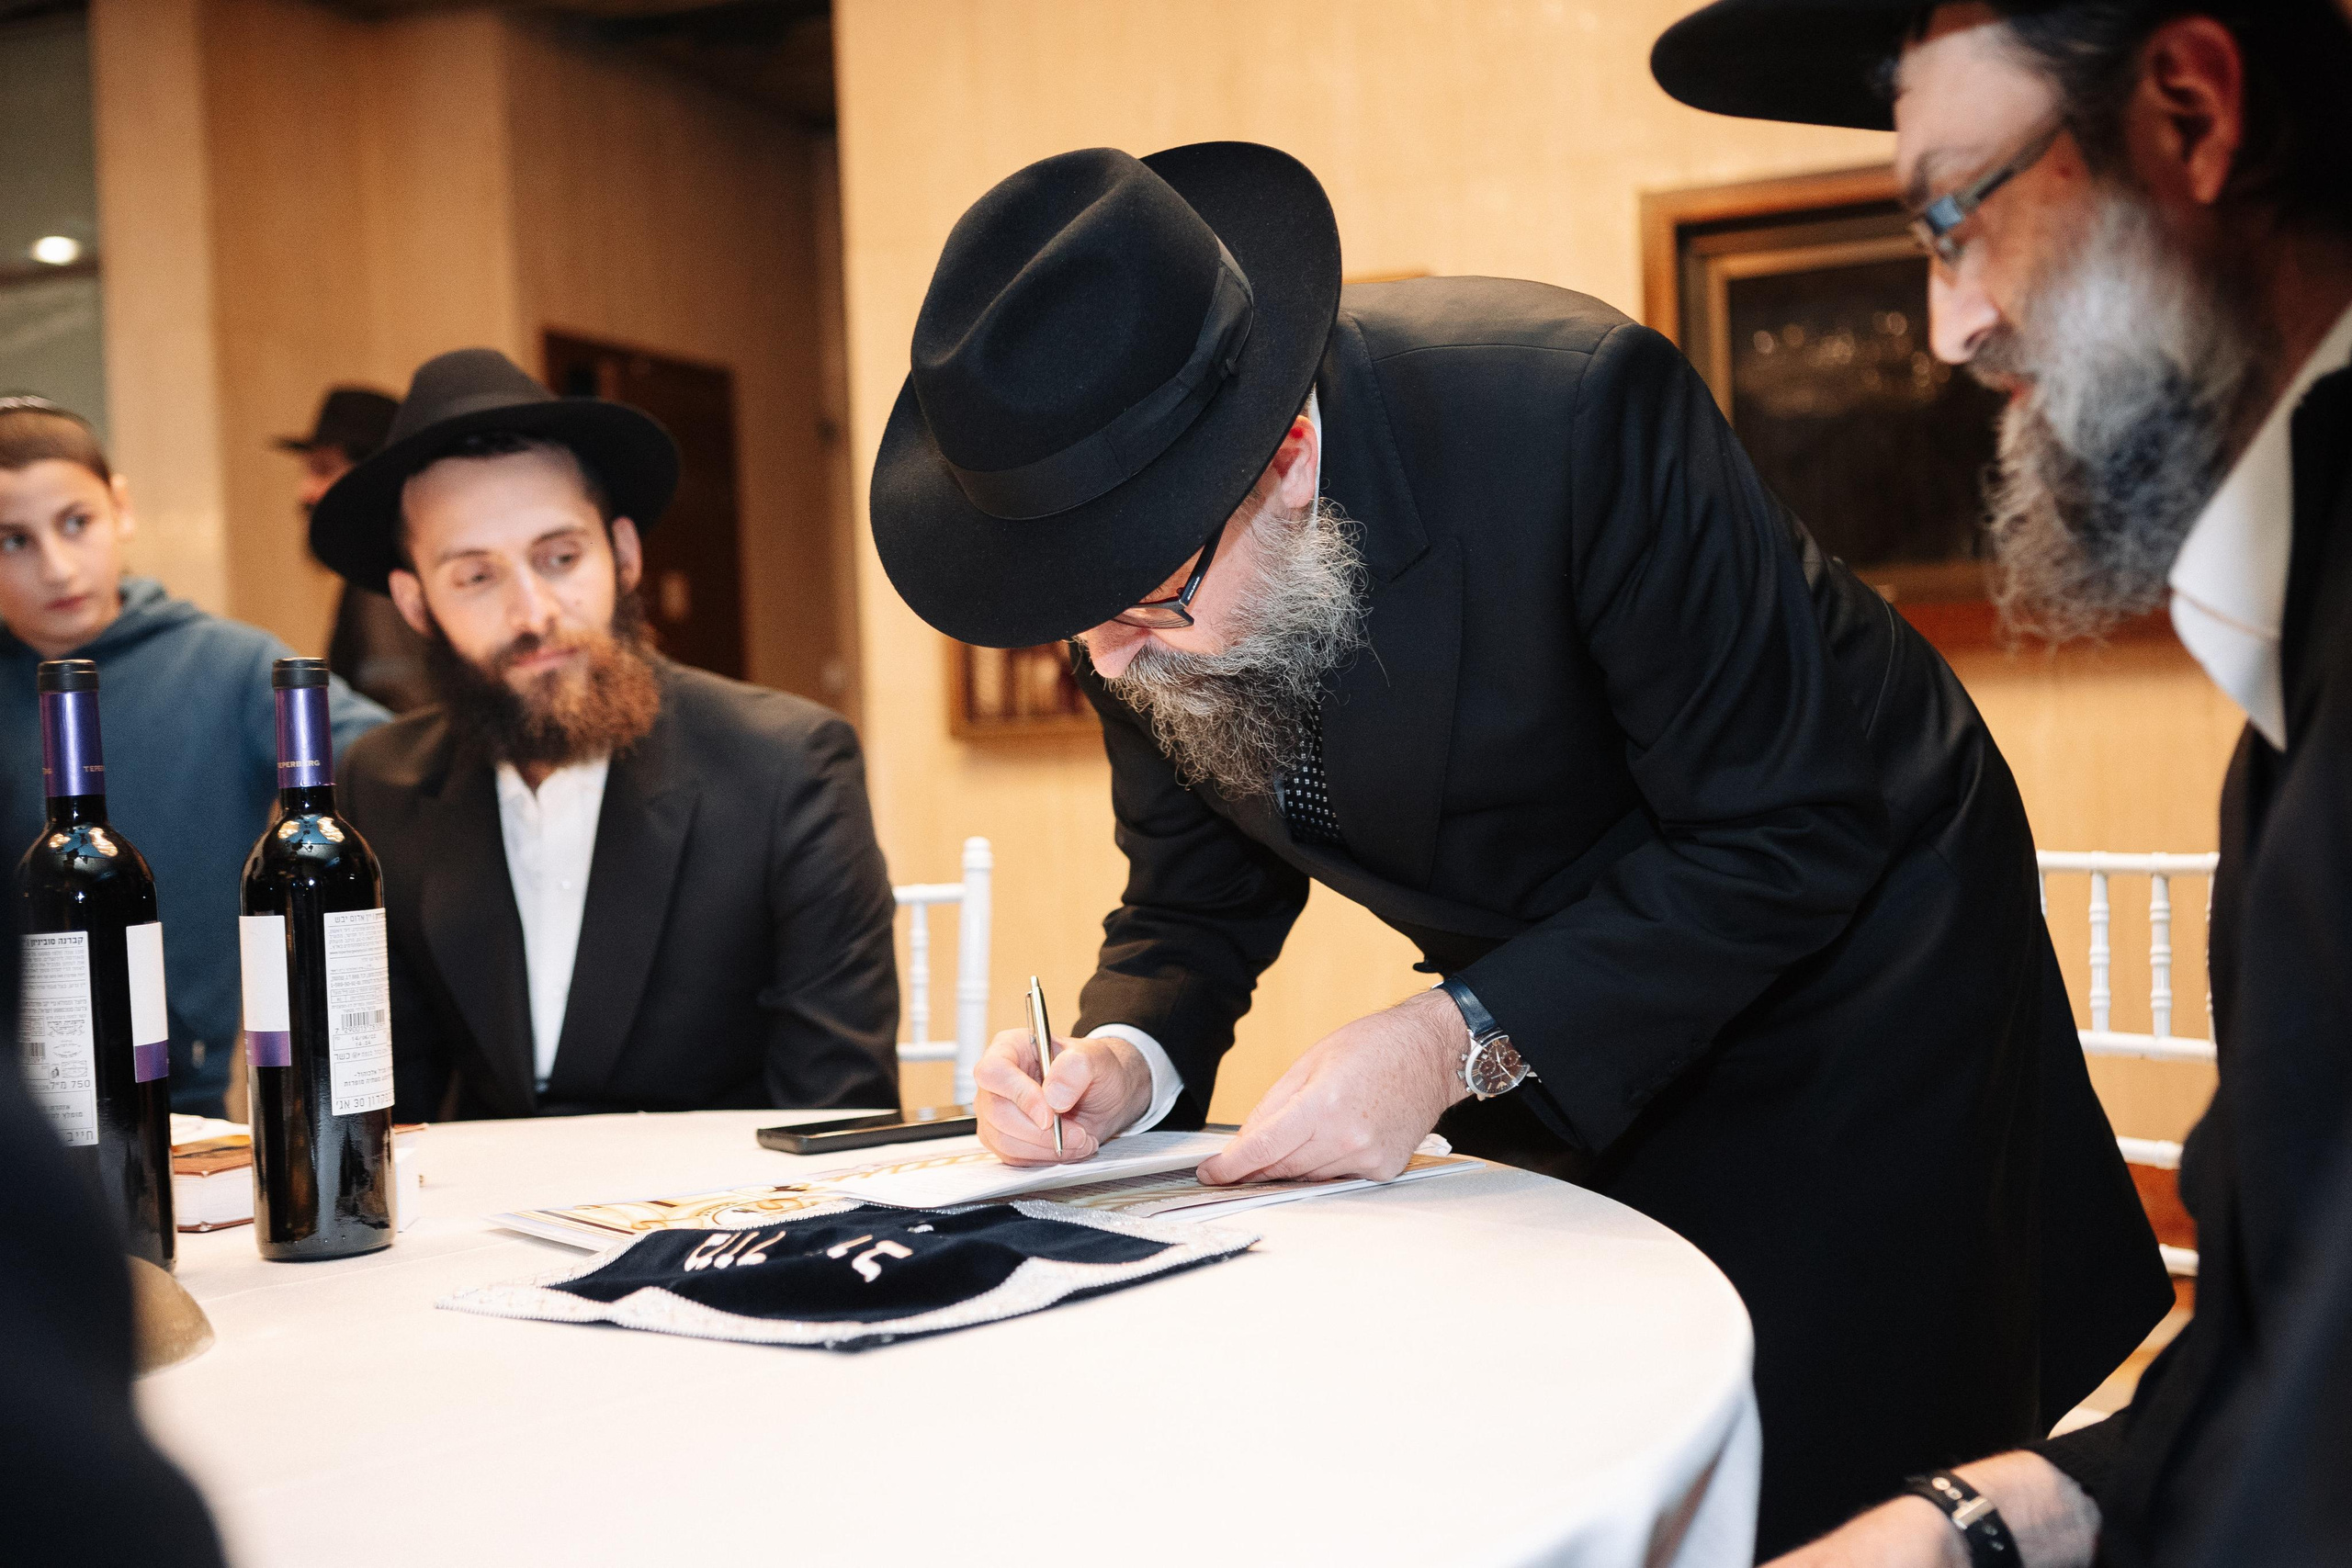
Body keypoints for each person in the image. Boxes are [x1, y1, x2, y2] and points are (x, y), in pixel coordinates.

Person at [868, 142, 2171, 1554]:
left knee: (1816, 1479)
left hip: (1852, 951)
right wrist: (1120, 1062)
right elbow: (1192, 897)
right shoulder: (1132, 592)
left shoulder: (1572, 412)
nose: (1116, 670)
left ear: (1289, 459)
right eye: (1086, 627)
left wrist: (1447, 1037)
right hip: (1562, 1003)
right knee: (1562, 1416)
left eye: (1142, 613)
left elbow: (1787, 825)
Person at [1647, 2, 2352, 1564]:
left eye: (1956, 213)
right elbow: (2283, 1337)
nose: (1947, 326)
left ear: (2188, 111)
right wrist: (1983, 1515)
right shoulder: (2290, 670)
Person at [315, 349, 899, 1121]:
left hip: (722, 1222)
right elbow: (388, 1104)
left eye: (560, 557)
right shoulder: (377, 786)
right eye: (476, 576)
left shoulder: (788, 768)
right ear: (416, 602)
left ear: (624, 555)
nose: (533, 613)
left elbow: (839, 1112)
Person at [0, 396, 387, 1118]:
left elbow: (400, 770)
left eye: (75, 523)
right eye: (12, 540)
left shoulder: (229, 664)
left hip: (183, 1100)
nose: (55, 567)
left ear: (121, 509)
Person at [277, 385, 434, 714]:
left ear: (369, 477)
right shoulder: (379, 572)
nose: (305, 491)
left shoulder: (385, 584)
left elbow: (402, 720)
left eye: (323, 470)